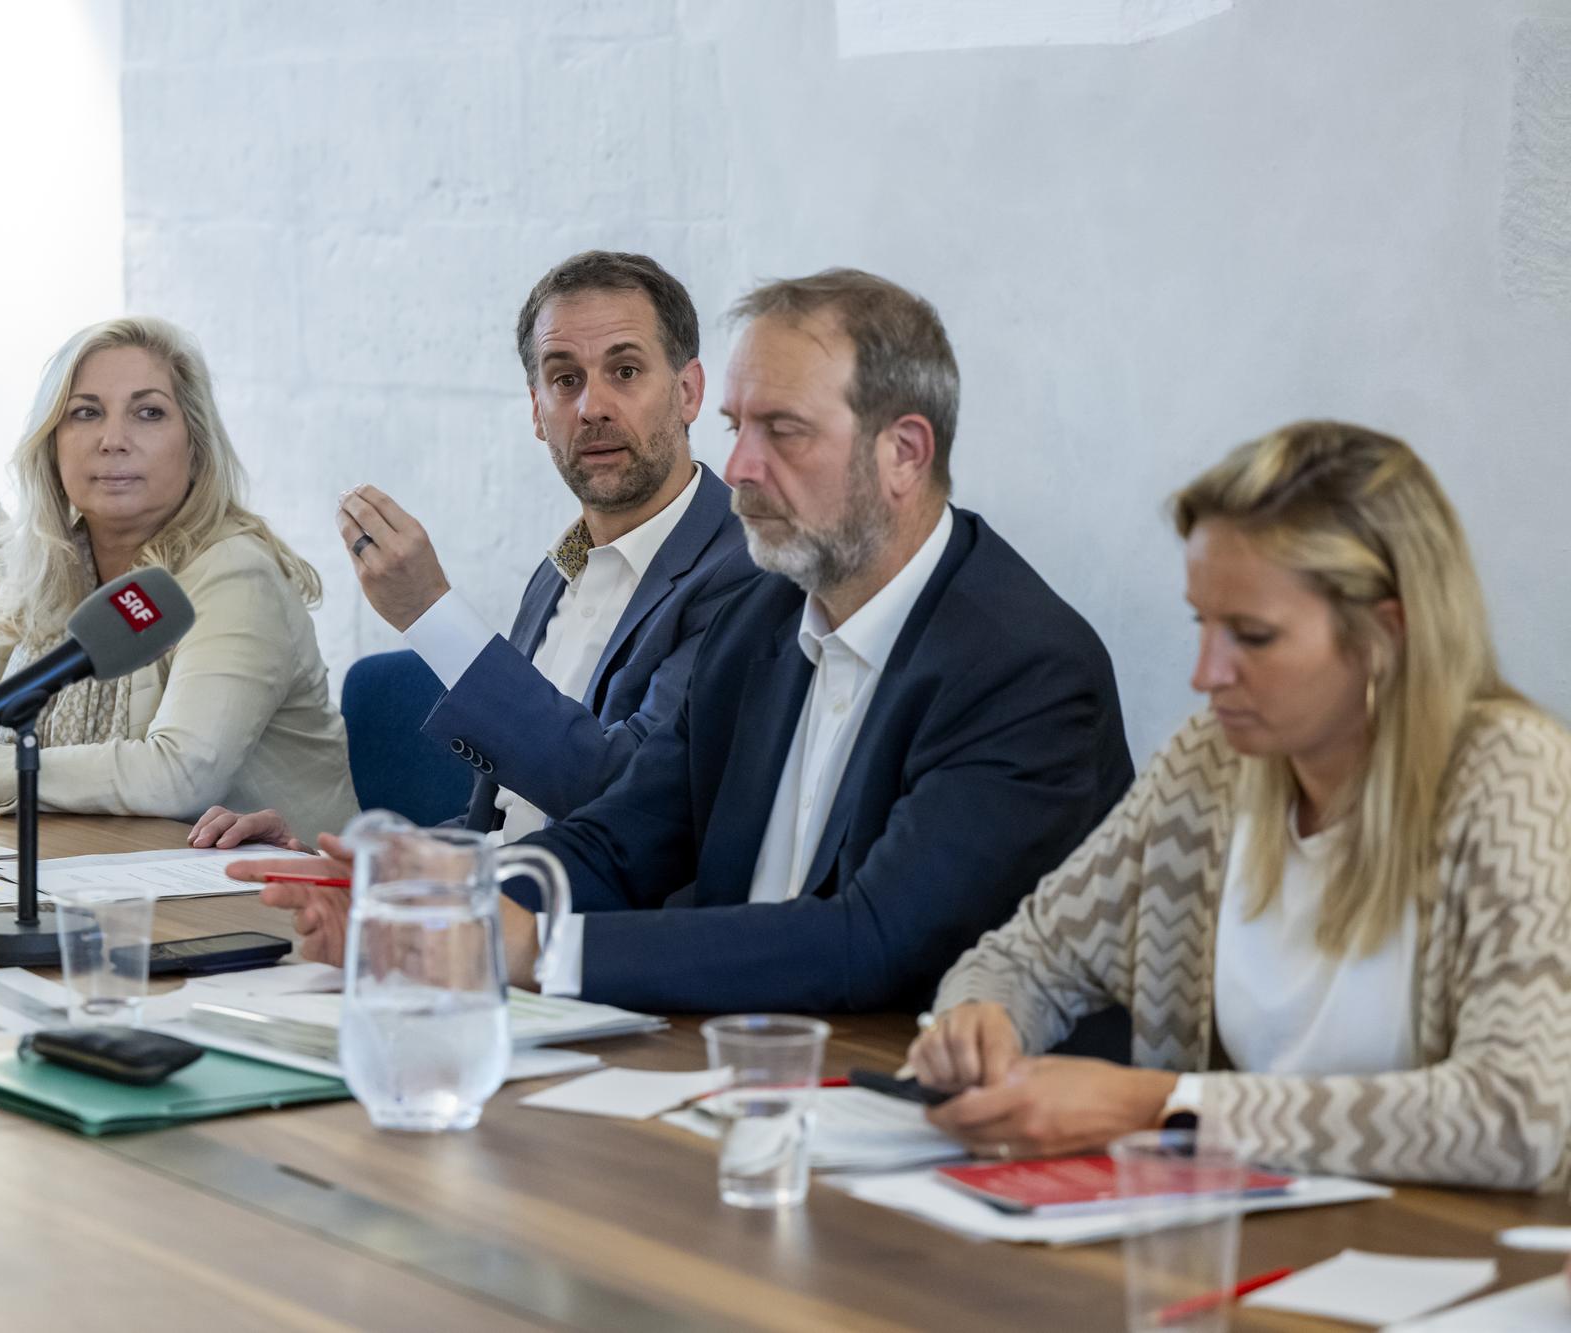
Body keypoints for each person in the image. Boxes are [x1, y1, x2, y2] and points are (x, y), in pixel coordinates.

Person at [242, 269, 1134, 1015]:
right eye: (738, 428)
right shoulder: (764, 620)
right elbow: (618, 840)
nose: (739, 466)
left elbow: (872, 938)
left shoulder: (1025, 667)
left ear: (903, 452)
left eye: (781, 430)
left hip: (913, 1108)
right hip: (720, 1065)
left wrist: (533, 947)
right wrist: (427, 907)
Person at [910, 421, 1571, 1189]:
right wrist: (976, 1025)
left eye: (1252, 636)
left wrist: (1166, 1106)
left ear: (1383, 634)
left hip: (1453, 1274)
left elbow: (1520, 1112)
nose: (1206, 672)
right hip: (1237, 1246)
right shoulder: (1211, 764)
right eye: (1203, 622)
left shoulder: (1513, 773)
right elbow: (1022, 960)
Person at [188, 251, 756, 852]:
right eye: (566, 380)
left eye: (626, 371)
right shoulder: (560, 569)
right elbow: (502, 826)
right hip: (494, 911)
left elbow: (627, 802)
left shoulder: (744, 569)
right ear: (538, 412)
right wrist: (335, 858)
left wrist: (433, 616)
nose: (592, 408)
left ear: (689, 392)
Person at [0, 316, 358, 838]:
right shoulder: (54, 563)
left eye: (148, 413)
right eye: (85, 413)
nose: (113, 439)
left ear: (195, 445)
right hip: (99, 873)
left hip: (263, 898)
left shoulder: (235, 573)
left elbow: (181, 774)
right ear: (51, 445)